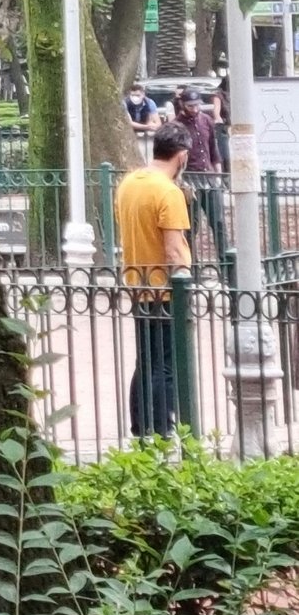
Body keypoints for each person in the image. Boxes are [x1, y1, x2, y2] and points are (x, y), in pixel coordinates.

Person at [116, 123, 193, 437]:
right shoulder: (167, 192)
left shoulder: (129, 182)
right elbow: (174, 249)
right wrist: (184, 285)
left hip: (137, 282)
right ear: (182, 155)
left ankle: (141, 426)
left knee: (146, 361)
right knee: (164, 366)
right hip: (163, 289)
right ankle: (162, 429)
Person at [175, 90, 221, 252]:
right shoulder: (177, 125)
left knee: (218, 222)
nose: (194, 109)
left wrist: (218, 172)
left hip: (208, 176)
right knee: (191, 224)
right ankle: (191, 267)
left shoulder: (206, 120)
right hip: (188, 178)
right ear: (182, 105)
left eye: (197, 105)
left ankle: (226, 265)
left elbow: (213, 148)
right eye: (190, 106)